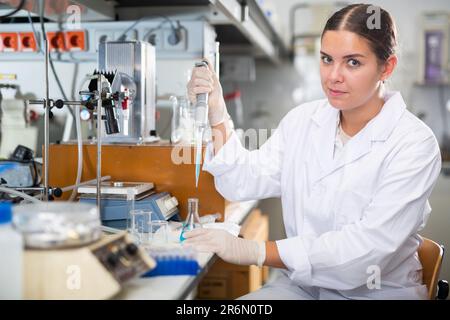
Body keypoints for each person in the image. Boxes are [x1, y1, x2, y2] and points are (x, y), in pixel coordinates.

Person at [184, 3, 441, 300]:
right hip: (303, 287)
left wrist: (256, 251)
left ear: (387, 67)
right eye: (327, 59)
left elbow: (365, 252)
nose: (333, 76)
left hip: (376, 292)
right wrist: (216, 113)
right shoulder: (303, 121)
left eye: (353, 63)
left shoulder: (413, 143)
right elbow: (241, 180)